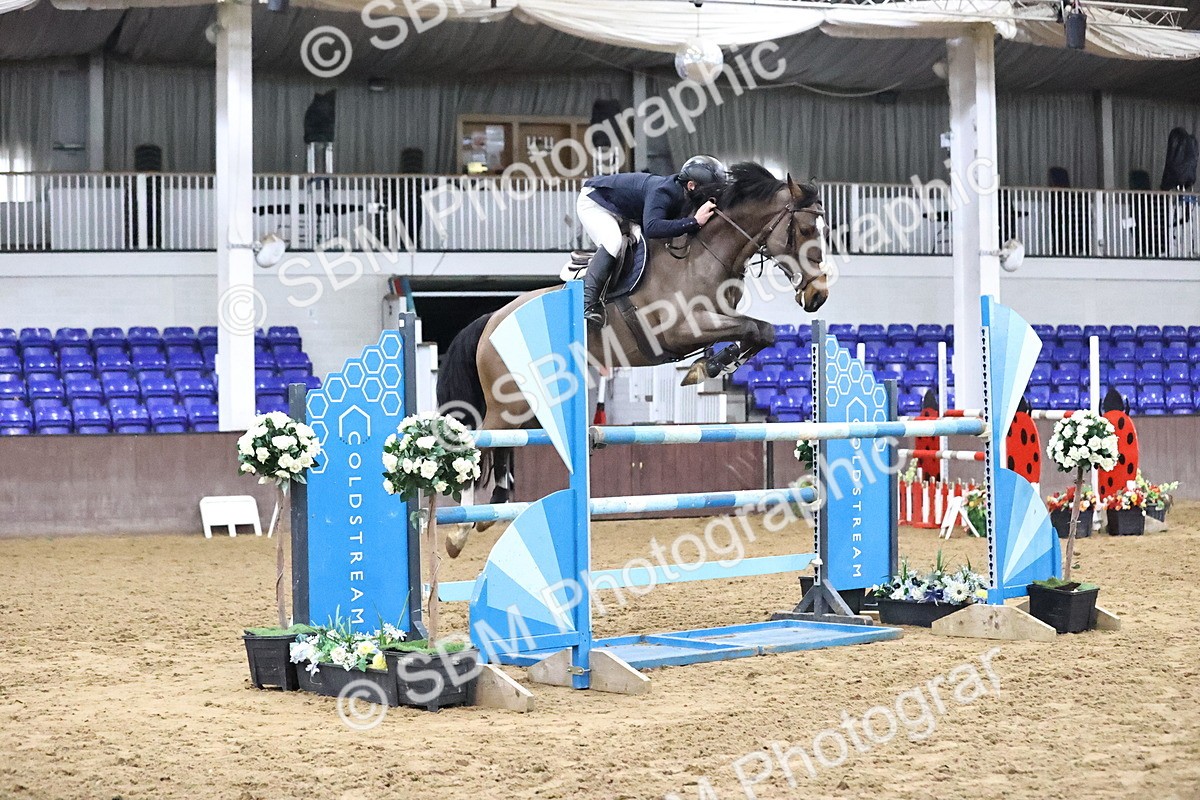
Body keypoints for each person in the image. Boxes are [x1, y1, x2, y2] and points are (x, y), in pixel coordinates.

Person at [576, 155, 728, 325]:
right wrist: (694, 222)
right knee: (613, 242)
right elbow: (652, 228)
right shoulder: (663, 192)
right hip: (595, 202)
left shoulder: (684, 193)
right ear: (691, 186)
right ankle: (587, 304)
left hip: (625, 212)